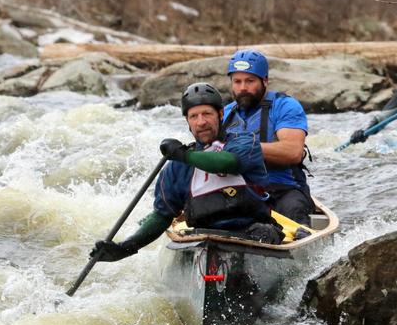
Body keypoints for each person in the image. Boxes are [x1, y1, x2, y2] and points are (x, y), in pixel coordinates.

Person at [90, 82, 283, 263]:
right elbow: (162, 216)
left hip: (253, 233)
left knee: (265, 234)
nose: (201, 122)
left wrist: (184, 156)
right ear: (187, 121)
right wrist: (125, 248)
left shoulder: (244, 143)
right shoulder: (176, 168)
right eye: (194, 116)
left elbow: (227, 163)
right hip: (204, 239)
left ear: (221, 114)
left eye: (207, 114)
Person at [223, 49, 315, 227]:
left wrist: (247, 147)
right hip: (239, 191)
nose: (243, 88)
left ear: (265, 80)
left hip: (282, 190)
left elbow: (293, 152)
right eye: (237, 81)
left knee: (294, 209)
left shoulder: (284, 106)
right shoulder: (225, 113)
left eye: (250, 81)